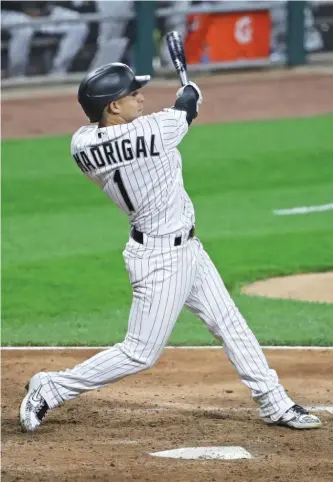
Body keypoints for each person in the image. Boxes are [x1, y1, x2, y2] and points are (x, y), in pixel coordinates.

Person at [20, 62, 321, 433]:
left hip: (186, 247)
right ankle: (52, 387)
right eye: (133, 94)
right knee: (140, 352)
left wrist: (185, 101)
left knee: (229, 323)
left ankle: (274, 402)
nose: (141, 97)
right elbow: (186, 108)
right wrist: (190, 90)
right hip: (160, 258)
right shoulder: (154, 131)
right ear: (113, 107)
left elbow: (171, 118)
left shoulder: (81, 143)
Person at [1, 1, 88, 78]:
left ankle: (58, 72)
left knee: (78, 24)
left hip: (45, 10)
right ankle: (16, 75)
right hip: (12, 12)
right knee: (24, 30)